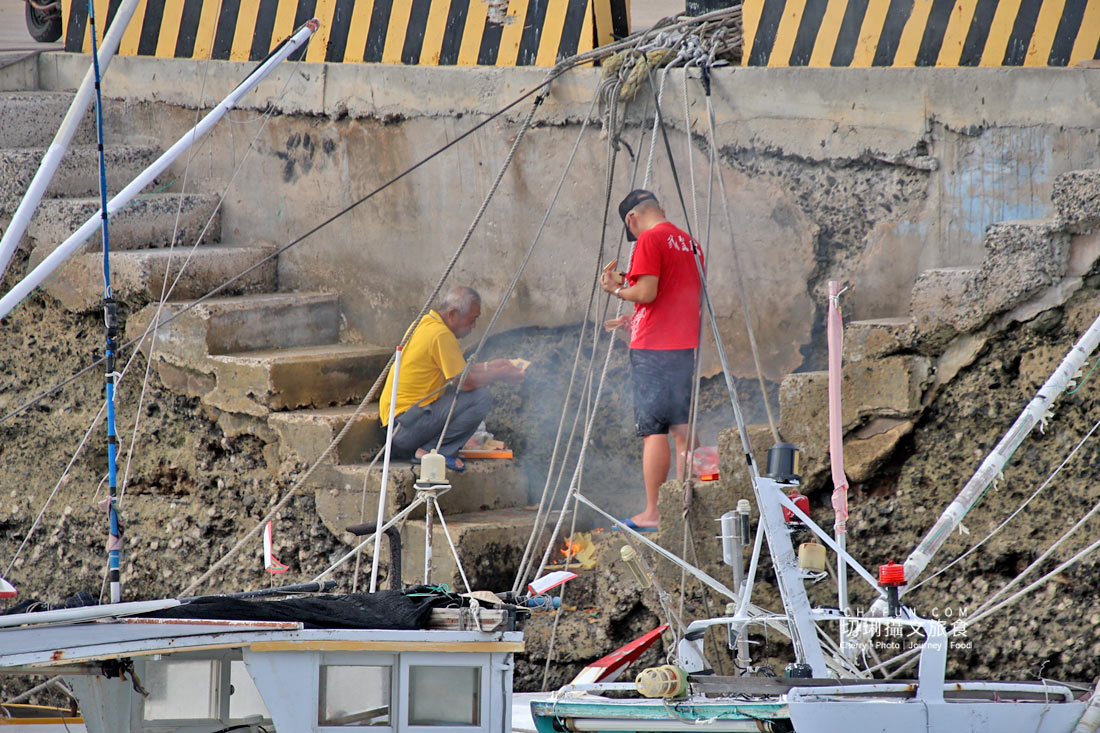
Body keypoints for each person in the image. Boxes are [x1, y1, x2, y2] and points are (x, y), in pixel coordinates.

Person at [601, 189, 703, 530]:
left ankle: (654, 512)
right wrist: (636, 317)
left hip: (653, 350)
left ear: (632, 219)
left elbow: (647, 293)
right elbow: (673, 295)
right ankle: (688, 502)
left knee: (654, 429)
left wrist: (614, 289)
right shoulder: (689, 243)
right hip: (682, 345)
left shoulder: (649, 238)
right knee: (683, 427)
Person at [379, 286, 525, 472]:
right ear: (453, 314)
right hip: (405, 428)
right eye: (472, 320)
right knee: (481, 398)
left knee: (463, 392)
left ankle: (432, 447)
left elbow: (458, 372)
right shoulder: (441, 335)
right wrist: (500, 375)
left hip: (396, 426)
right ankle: (435, 450)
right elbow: (466, 382)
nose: (473, 326)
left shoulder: (426, 323)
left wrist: (491, 366)